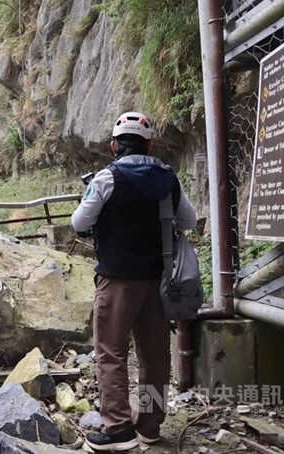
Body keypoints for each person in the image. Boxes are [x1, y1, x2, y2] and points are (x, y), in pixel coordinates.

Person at [71, 111, 197, 451]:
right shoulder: (168, 179)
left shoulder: (107, 178)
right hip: (158, 281)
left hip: (117, 281)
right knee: (155, 356)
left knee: (111, 353)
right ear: (150, 144)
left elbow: (79, 223)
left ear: (114, 146)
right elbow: (189, 220)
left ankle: (118, 429)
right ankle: (150, 426)